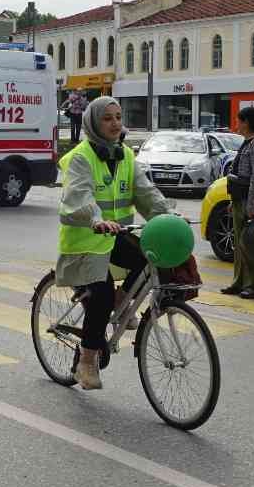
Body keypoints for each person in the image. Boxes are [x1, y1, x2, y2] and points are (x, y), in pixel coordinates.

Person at [55, 96, 171, 389]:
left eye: (118, 117)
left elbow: (146, 192)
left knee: (151, 256)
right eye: (107, 118)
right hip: (86, 241)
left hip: (116, 236)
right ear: (94, 122)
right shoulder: (81, 157)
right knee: (101, 295)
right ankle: (87, 360)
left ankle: (123, 300)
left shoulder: (126, 156)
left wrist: (168, 216)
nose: (115, 123)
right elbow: (79, 195)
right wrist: (95, 218)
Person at [221, 106, 254, 299]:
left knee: (252, 245)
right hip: (240, 200)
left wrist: (252, 206)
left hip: (253, 202)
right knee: (240, 246)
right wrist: (233, 201)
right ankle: (240, 283)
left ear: (247, 123)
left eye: (239, 121)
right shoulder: (248, 142)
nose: (236, 124)